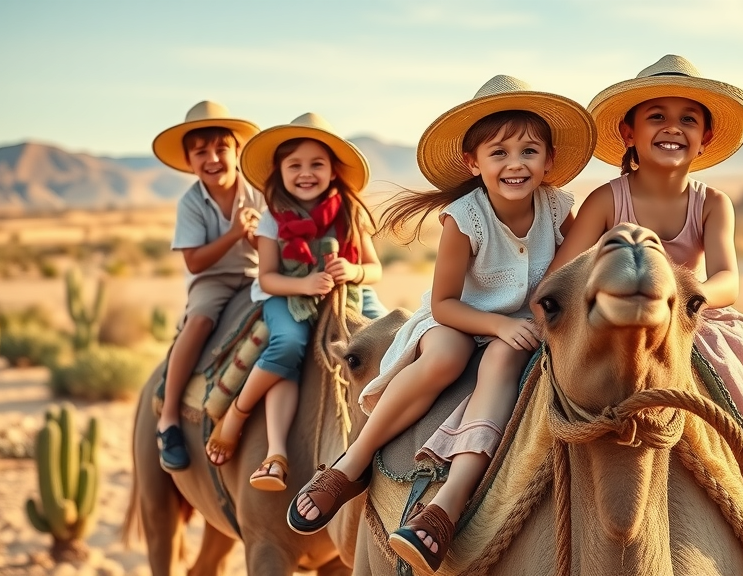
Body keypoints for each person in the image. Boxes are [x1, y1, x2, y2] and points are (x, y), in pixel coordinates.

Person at [287, 75, 596, 574]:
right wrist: (495, 326)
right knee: (449, 355)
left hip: (517, 328)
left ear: (549, 161)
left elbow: (561, 277)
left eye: (529, 151)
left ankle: (447, 504)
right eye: (499, 153)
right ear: (473, 163)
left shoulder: (558, 207)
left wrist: (518, 328)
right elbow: (444, 302)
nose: (515, 164)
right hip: (454, 318)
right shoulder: (464, 219)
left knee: (503, 360)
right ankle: (351, 464)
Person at [548, 54, 743, 480]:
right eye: (656, 116)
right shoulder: (605, 200)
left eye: (688, 119)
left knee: (734, 358)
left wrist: (682, 301)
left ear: (705, 137)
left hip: (694, 319)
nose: (673, 127)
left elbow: (728, 281)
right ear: (629, 133)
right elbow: (562, 275)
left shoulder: (712, 204)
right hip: (620, 314)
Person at [204, 113, 387, 491]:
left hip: (347, 292)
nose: (307, 173)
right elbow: (268, 276)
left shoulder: (350, 213)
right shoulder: (274, 218)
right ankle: (254, 432)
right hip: (286, 293)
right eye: (295, 165)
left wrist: (351, 271)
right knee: (288, 345)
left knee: (396, 341)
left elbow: (374, 269)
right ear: (280, 173)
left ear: (333, 171)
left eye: (317, 164)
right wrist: (304, 283)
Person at [152, 101, 263, 472]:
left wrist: (255, 239)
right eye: (201, 152)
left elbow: (271, 245)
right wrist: (235, 233)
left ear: (236, 152)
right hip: (211, 279)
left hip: (254, 276)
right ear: (189, 160)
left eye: (221, 149)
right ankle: (168, 418)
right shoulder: (191, 203)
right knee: (199, 321)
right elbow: (194, 261)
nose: (212, 158)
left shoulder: (259, 193)